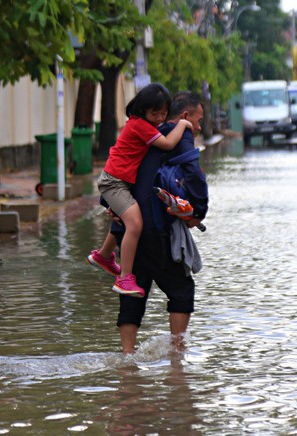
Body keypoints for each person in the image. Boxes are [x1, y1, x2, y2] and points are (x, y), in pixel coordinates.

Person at [113, 91, 208, 354]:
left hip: (130, 225)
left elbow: (117, 169)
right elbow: (193, 173)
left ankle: (127, 359)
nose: (199, 127)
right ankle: (178, 356)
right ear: (186, 116)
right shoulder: (180, 133)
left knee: (133, 287)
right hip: (156, 228)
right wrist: (199, 210)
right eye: (198, 120)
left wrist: (112, 208)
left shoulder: (142, 133)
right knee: (182, 290)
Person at [87, 83, 192, 297]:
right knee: (135, 223)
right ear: (142, 109)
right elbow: (168, 144)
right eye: (155, 113)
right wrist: (182, 124)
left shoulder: (144, 124)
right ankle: (125, 278)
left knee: (122, 219)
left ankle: (104, 255)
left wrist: (170, 122)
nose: (160, 118)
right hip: (114, 182)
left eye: (164, 113)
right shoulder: (139, 125)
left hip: (119, 180)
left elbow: (160, 131)